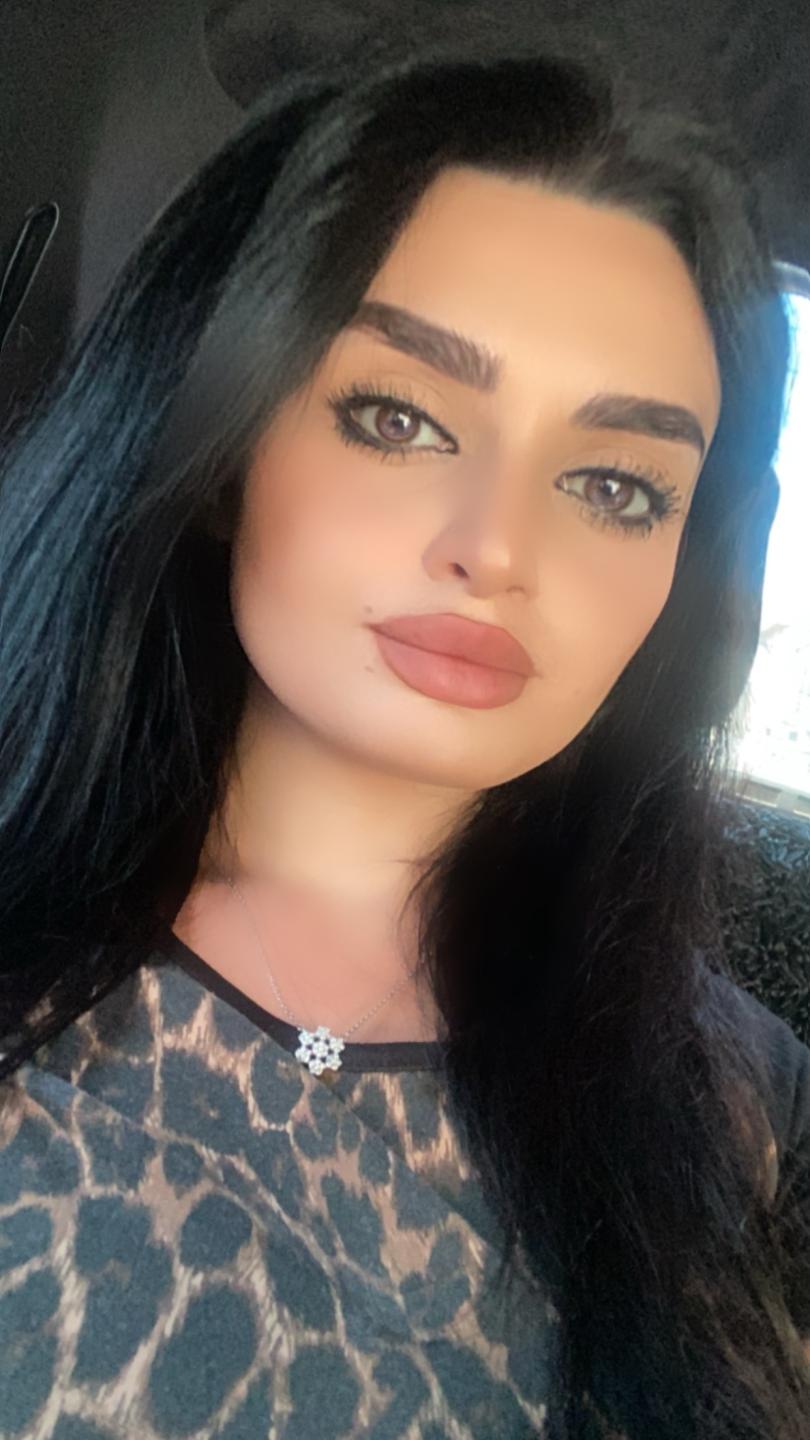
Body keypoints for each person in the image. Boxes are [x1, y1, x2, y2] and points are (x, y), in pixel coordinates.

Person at [0, 25, 808, 1440]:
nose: (495, 547)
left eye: (616, 487)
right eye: (397, 416)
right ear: (222, 448)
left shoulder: (733, 1097)